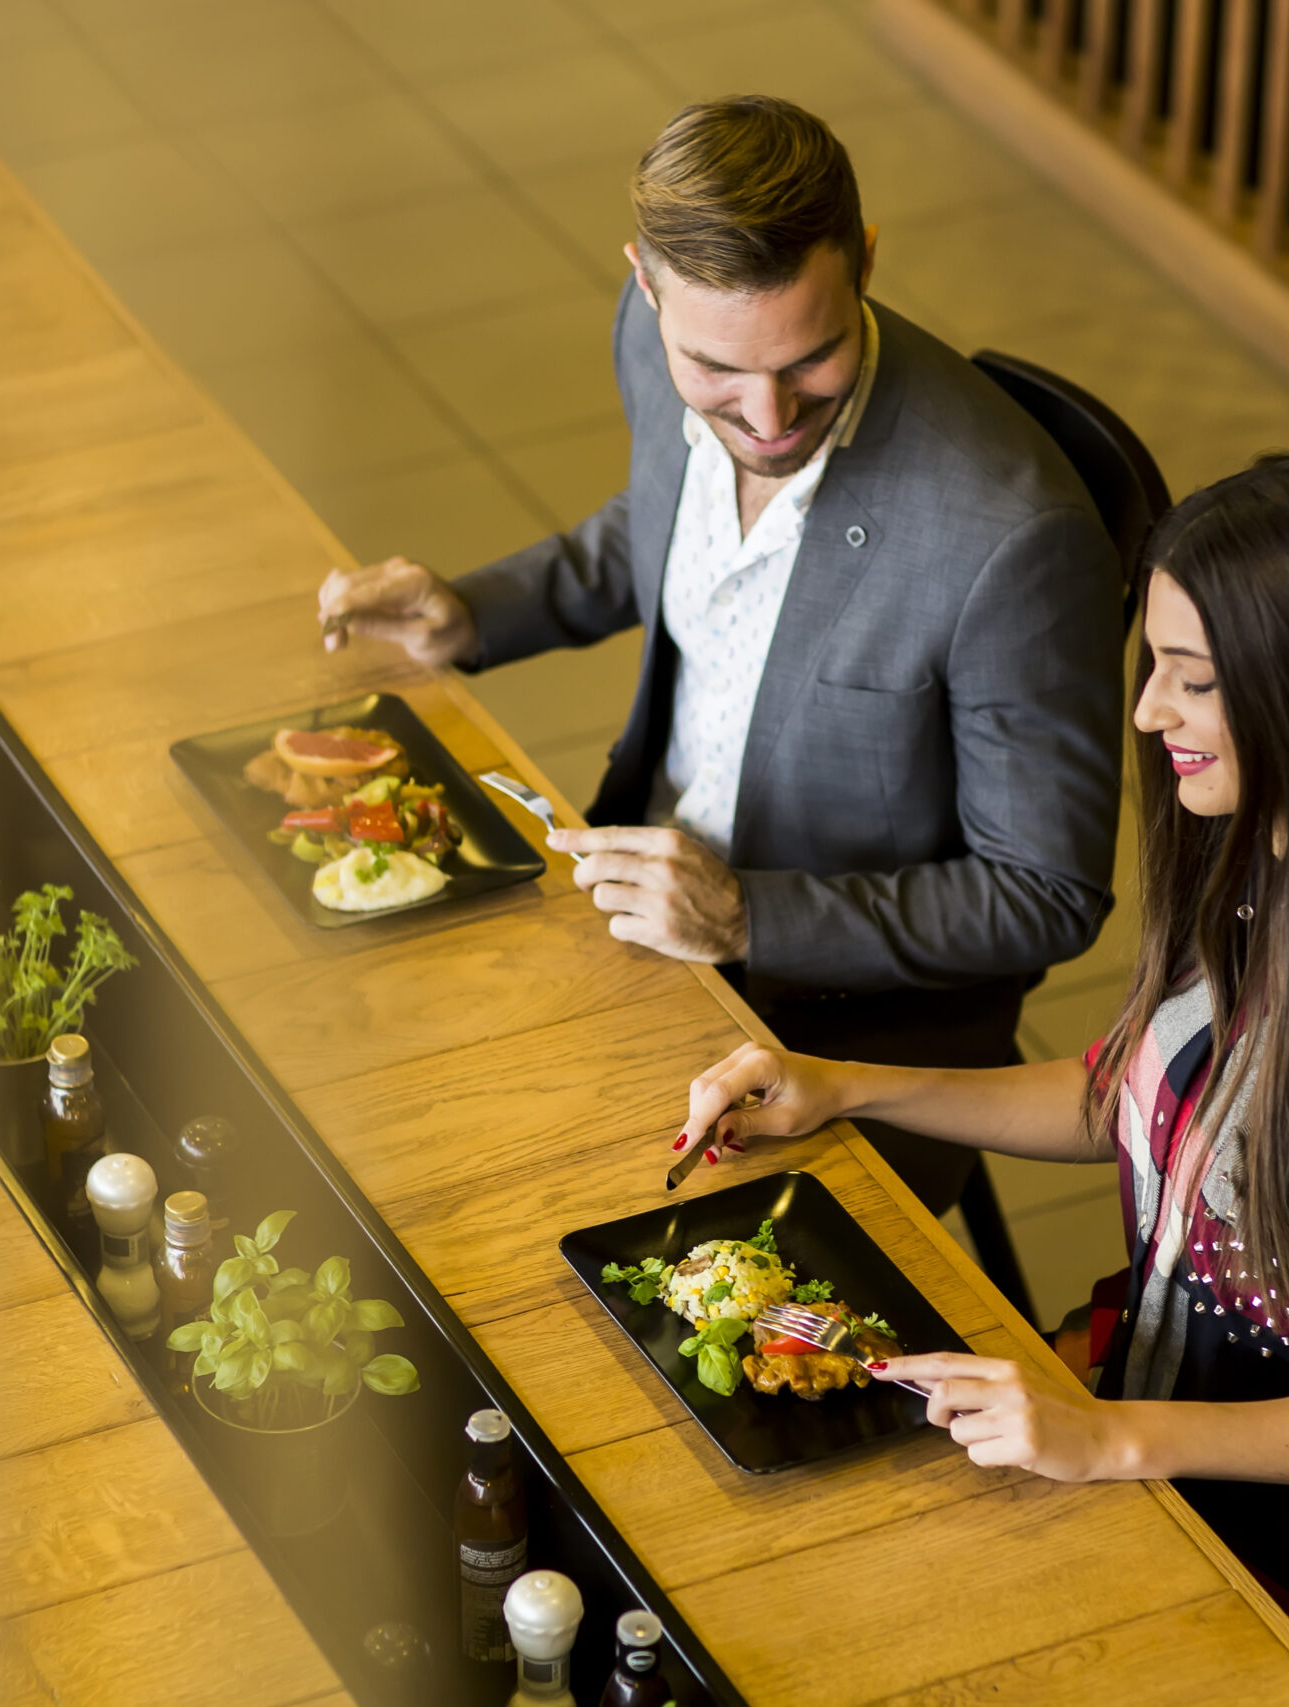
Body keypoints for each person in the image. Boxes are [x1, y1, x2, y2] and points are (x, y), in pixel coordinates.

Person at [673, 455, 1289, 1698]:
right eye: (1154, 666)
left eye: (1193, 682)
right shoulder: (1262, 853)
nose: (1150, 713)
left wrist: (1105, 1438)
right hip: (1140, 1394)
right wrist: (841, 1084)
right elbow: (1129, 1098)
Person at [316, 96, 1126, 1243]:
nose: (766, 417)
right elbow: (663, 532)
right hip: (640, 917)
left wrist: (748, 918)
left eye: (813, 360)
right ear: (645, 285)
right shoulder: (649, 345)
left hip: (851, 1033)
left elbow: (1047, 893)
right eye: (718, 373)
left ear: (868, 263)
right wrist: (474, 612)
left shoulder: (1009, 538)